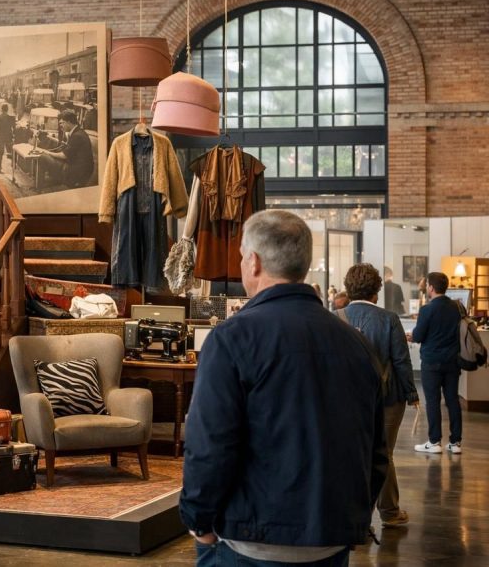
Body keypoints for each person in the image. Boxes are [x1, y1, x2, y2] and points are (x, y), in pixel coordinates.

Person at [181, 210, 387, 567]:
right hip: (330, 539)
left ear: (254, 261)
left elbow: (209, 445)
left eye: (242, 256)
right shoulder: (357, 344)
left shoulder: (231, 339)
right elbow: (375, 450)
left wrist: (198, 522)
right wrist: (350, 520)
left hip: (249, 542)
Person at [340, 263, 419, 528]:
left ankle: (356, 517)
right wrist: (411, 394)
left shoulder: (335, 317)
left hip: (347, 399)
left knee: (353, 455)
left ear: (348, 289)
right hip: (387, 398)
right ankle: (389, 512)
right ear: (376, 291)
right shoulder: (389, 319)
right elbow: (401, 361)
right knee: (384, 454)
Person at [411, 271, 463, 454]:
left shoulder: (427, 310)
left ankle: (434, 442)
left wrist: (411, 336)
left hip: (431, 362)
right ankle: (455, 443)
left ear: (431, 288)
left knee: (433, 401)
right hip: (452, 361)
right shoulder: (457, 307)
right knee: (452, 400)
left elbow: (418, 336)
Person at [40, 109, 94, 188]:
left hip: (76, 172)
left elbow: (64, 155)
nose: (61, 126)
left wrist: (47, 153)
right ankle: (54, 180)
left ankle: (39, 185)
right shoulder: (79, 132)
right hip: (82, 170)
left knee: (43, 156)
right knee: (53, 156)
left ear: (69, 122)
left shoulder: (77, 136)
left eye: (62, 123)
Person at [0, 103, 15, 173]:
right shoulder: (11, 118)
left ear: (1, 109)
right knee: (11, 151)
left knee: (0, 152)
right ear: (7, 109)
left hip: (1, 137)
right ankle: (13, 166)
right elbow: (14, 128)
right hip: (9, 137)